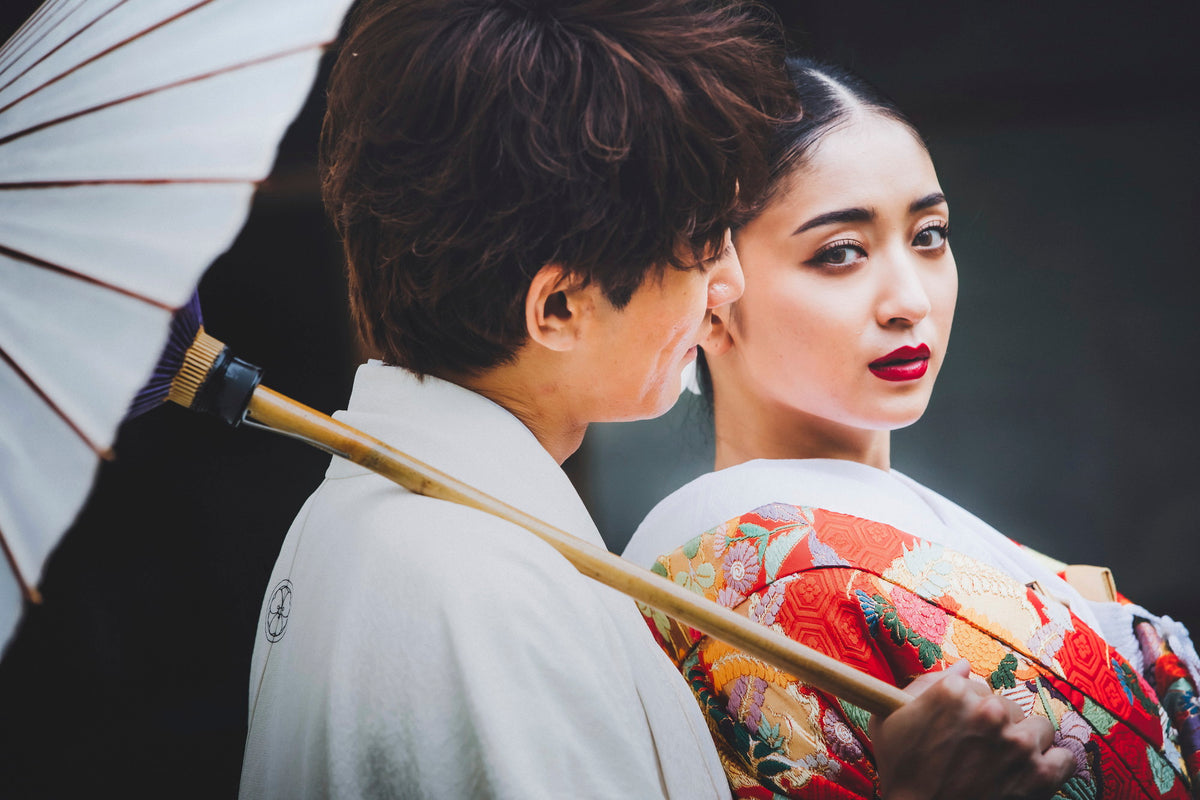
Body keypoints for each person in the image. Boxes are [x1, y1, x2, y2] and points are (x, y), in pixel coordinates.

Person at [239, 3, 1073, 797]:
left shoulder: (422, 536)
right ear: (559, 307)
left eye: (930, 234)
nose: (728, 285)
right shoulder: (475, 589)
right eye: (702, 247)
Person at [623, 56, 1200, 799]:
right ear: (709, 295)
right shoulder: (746, 564)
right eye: (840, 253)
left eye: (929, 235)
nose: (909, 301)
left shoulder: (909, 524)